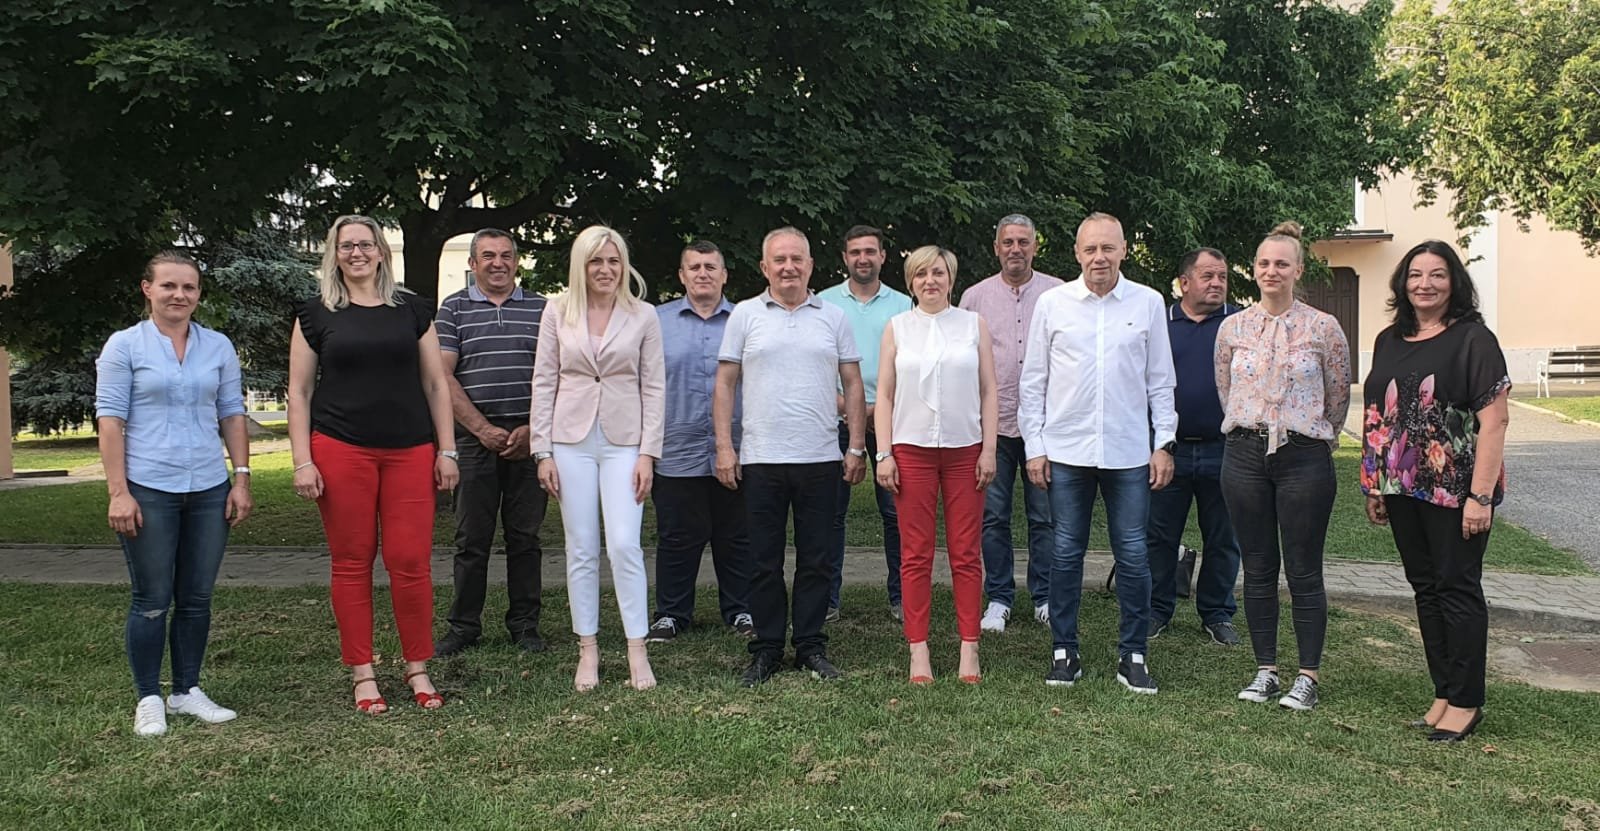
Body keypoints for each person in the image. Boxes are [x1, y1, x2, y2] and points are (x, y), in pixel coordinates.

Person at [289, 214, 459, 714]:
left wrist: (447, 450)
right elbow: (299, 392)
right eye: (347, 246)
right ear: (334, 254)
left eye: (366, 244)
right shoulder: (315, 314)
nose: (357, 253)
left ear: (382, 251)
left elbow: (436, 383)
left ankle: (417, 666)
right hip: (341, 448)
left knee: (411, 562)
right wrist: (302, 461)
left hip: (410, 450)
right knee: (351, 561)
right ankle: (363, 673)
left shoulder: (412, 310)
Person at [96, 251, 253, 736]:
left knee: (196, 597)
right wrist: (119, 492)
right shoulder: (125, 346)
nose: (179, 295)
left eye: (188, 287)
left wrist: (241, 478)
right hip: (148, 487)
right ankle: (149, 697)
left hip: (208, 488)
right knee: (151, 598)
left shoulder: (218, 346)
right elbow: (110, 420)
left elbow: (231, 413)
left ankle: (186, 690)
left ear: (198, 294)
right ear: (148, 289)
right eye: (168, 285)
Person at [1019, 212, 1175, 695]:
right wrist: (1034, 447)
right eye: (1090, 249)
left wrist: (1163, 443)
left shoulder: (1148, 303)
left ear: (1124, 250)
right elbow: (1033, 381)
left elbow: (1161, 382)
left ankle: (1134, 654)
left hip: (1129, 452)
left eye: (1108, 248)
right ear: (1077, 253)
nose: (1099, 258)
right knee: (1066, 552)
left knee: (1133, 553)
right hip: (1066, 450)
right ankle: (1064, 650)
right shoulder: (1053, 304)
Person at [1360, 240, 1509, 742]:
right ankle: (1444, 691)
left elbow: (1494, 421)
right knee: (1425, 587)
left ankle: (1466, 701)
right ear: (1403, 283)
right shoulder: (1388, 339)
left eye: (1437, 275)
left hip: (1456, 491)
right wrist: (1377, 485)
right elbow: (1380, 416)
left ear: (1454, 283)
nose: (1425, 284)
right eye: (1416, 275)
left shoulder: (1473, 340)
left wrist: (1480, 497)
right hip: (1402, 487)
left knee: (1457, 588)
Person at [715, 226, 866, 686]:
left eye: (797, 258)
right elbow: (725, 383)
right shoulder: (744, 315)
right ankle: (766, 648)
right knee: (763, 560)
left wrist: (856, 446)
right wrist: (724, 446)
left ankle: (810, 645)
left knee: (817, 558)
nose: (788, 267)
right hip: (761, 458)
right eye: (779, 259)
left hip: (819, 457)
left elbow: (853, 383)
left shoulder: (834, 317)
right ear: (765, 267)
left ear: (810, 265)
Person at [1216, 221, 1351, 712]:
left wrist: (1309, 432)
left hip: (1303, 458)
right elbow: (1226, 389)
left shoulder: (1323, 328)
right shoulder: (1233, 328)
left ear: (1298, 269)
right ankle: (1266, 669)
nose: (1271, 271)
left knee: (1303, 568)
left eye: (1281, 264)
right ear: (1254, 269)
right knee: (1257, 566)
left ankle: (1307, 675)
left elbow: (1338, 396)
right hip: (1244, 455)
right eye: (1263, 263)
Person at [531, 225, 665, 692]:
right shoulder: (557, 310)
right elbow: (544, 380)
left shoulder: (644, 314)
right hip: (570, 441)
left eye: (613, 260)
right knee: (582, 546)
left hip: (625, 441)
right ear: (581, 265)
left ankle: (636, 647)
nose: (605, 269)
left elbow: (654, 386)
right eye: (596, 261)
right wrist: (542, 450)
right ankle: (587, 648)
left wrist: (648, 453)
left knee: (625, 544)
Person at [874, 246, 997, 684]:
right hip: (912, 450)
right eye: (921, 273)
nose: (931, 280)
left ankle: (969, 646)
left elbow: (989, 390)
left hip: (966, 450)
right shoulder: (897, 327)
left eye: (939, 273)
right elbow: (884, 395)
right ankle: (918, 648)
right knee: (915, 554)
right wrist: (884, 453)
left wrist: (989, 449)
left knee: (965, 552)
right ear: (911, 281)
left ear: (951, 278)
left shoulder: (973, 324)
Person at [433, 228, 551, 657]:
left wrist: (533, 429)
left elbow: (556, 375)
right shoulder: (453, 309)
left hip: (530, 439)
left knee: (525, 538)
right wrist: (481, 428)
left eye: (505, 255)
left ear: (516, 262)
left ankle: (525, 626)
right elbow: (442, 376)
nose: (497, 263)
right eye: (487, 256)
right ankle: (464, 627)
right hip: (472, 441)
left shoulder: (544, 309)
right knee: (471, 539)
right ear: (473, 264)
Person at [645, 241, 755, 643]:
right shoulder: (656, 322)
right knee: (677, 536)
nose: (703, 273)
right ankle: (672, 614)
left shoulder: (746, 320)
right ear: (682, 275)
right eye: (694, 267)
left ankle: (741, 609)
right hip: (677, 446)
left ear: (724, 274)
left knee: (737, 535)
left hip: (737, 445)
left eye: (711, 266)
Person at [959, 214, 1062, 633]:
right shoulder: (974, 298)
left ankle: (1045, 596)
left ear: (1035, 246)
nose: (1015, 249)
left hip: (1045, 426)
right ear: (996, 247)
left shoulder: (1058, 294)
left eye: (1023, 241)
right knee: (993, 517)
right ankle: (999, 597)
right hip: (992, 426)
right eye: (1008, 242)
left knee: (1045, 517)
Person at [1144, 248, 1243, 646]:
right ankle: (1156, 609)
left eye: (1222, 276)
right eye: (1207, 276)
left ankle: (1217, 613)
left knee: (1224, 537)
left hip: (1226, 448)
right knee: (1159, 536)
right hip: (1170, 450)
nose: (1217, 283)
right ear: (1184, 283)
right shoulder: (1160, 323)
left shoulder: (1239, 323)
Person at [818, 225, 911, 622]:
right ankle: (828, 600)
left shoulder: (904, 304)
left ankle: (902, 598)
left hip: (892, 419)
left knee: (896, 512)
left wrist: (876, 411)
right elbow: (817, 365)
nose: (863, 258)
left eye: (870, 251)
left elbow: (912, 363)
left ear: (883, 256)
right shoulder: (823, 303)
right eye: (855, 252)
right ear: (845, 258)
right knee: (830, 513)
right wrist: (850, 407)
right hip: (837, 417)